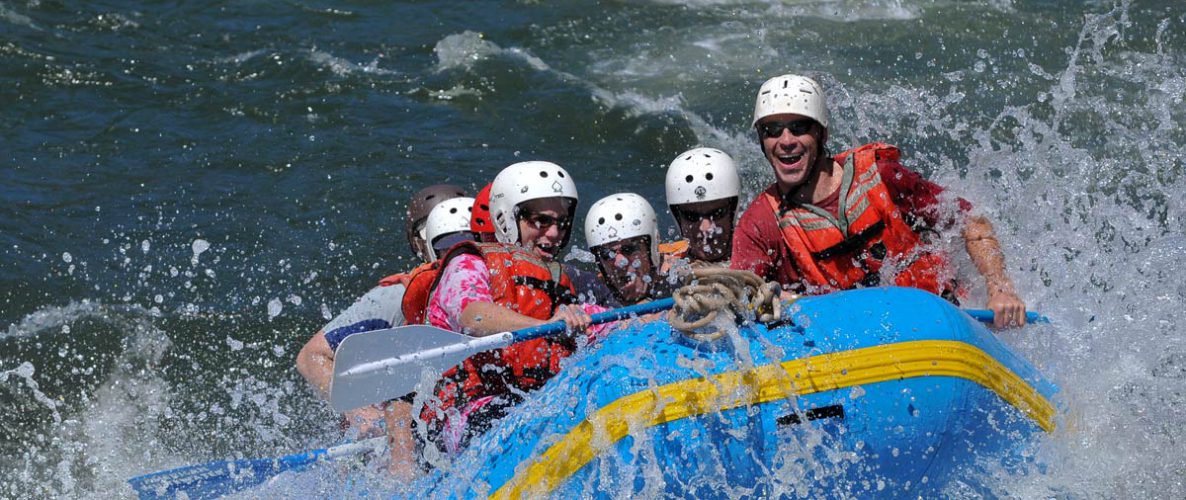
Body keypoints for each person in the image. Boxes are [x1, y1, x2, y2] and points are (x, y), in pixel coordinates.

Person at [731, 73, 1027, 328]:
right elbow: (742, 295)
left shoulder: (882, 178)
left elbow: (971, 222)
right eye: (772, 130)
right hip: (852, 345)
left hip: (941, 319)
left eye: (798, 127)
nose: (785, 140)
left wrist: (999, 287)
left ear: (821, 134)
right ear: (761, 139)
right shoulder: (760, 224)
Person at [416, 161, 611, 456]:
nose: (554, 233)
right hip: (461, 416)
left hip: (530, 405)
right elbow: (474, 316)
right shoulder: (468, 263)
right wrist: (547, 326)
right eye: (540, 221)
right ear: (507, 218)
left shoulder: (560, 283)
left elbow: (616, 323)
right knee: (528, 419)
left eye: (562, 223)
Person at [295, 183, 467, 476]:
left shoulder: (490, 287)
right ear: (420, 244)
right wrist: (358, 410)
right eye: (443, 239)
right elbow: (311, 357)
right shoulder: (392, 299)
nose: (456, 252)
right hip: (394, 426)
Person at [585, 193, 673, 305]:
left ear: (652, 248)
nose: (619, 262)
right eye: (607, 254)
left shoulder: (685, 281)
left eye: (629, 249)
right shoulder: (593, 297)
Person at [663, 147, 742, 268]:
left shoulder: (761, 253)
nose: (706, 229)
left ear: (733, 211)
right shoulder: (664, 266)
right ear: (678, 218)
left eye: (717, 213)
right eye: (691, 216)